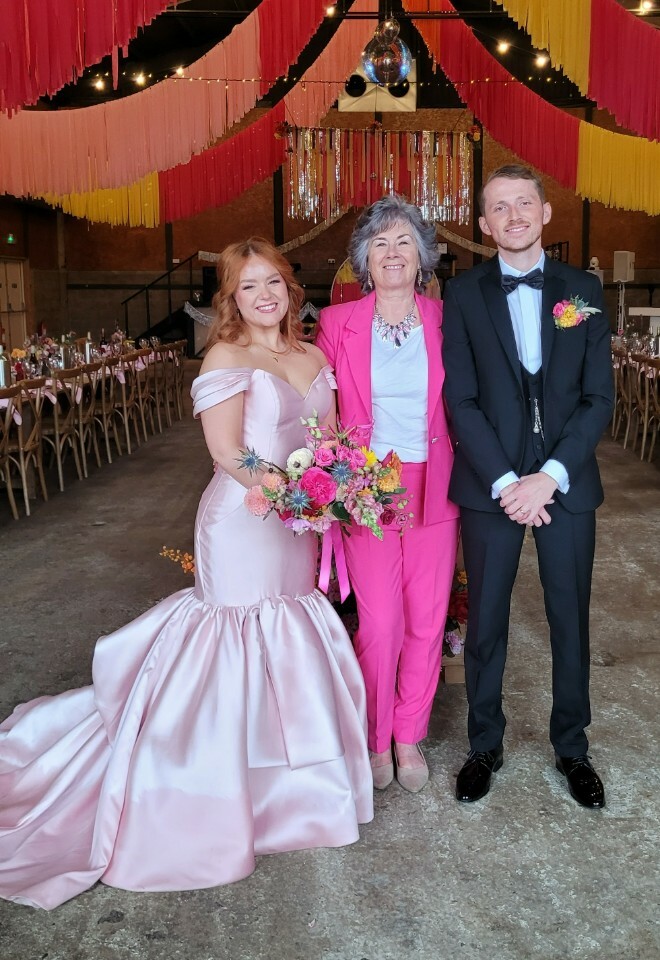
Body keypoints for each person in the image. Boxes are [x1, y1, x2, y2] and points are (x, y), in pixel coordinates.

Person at [0, 238, 373, 910]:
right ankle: (210, 794)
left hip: (299, 528)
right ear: (230, 298)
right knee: (235, 637)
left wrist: (340, 485)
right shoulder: (226, 356)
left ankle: (284, 796)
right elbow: (229, 452)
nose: (264, 296)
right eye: (248, 287)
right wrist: (299, 493)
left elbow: (332, 442)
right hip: (244, 522)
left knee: (287, 633)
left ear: (291, 289)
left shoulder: (314, 356)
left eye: (274, 283)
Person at [442, 164, 614, 808]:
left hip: (567, 485)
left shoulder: (583, 289)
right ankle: (484, 741)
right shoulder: (462, 296)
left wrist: (550, 477)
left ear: (544, 212)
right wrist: (511, 481)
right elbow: (460, 398)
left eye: (524, 203)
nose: (513, 215)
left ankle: (573, 746)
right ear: (484, 226)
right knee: (486, 620)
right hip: (493, 486)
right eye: (498, 208)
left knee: (569, 617)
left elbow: (598, 399)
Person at [315, 195, 460, 794]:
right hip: (368, 488)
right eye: (380, 244)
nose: (393, 253)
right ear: (363, 262)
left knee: (427, 621)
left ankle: (408, 734)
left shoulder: (448, 319)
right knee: (379, 623)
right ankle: (374, 738)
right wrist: (325, 473)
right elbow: (319, 410)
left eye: (404, 242)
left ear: (422, 257)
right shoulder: (335, 324)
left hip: (436, 486)